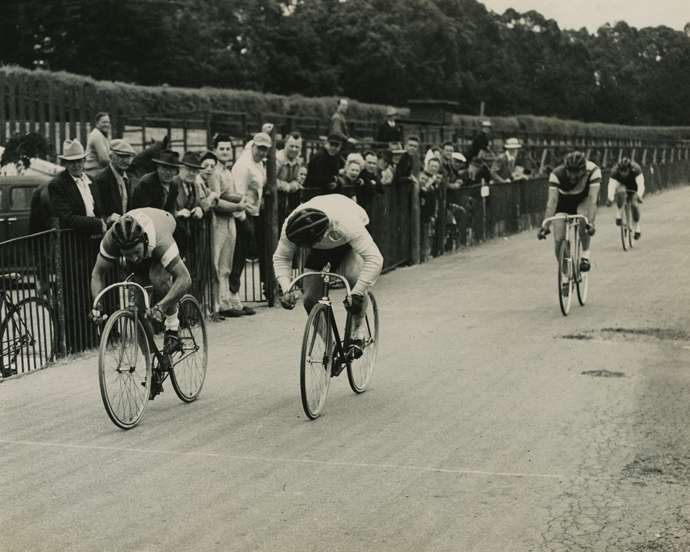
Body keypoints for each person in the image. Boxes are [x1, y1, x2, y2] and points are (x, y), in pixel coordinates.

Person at [90, 209, 192, 397]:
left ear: (143, 241)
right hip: (145, 247)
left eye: (135, 253)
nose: (133, 258)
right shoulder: (112, 240)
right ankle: (151, 363)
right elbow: (97, 274)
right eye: (127, 255)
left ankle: (173, 327)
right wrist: (97, 305)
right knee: (136, 309)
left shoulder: (160, 240)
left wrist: (161, 307)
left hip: (169, 229)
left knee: (159, 278)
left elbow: (185, 279)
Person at [273, 194, 384, 368]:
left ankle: (358, 331)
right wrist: (286, 288)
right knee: (309, 299)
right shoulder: (291, 224)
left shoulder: (347, 224)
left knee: (354, 277)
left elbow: (375, 259)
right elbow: (281, 258)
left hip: (347, 240)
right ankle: (330, 346)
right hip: (319, 244)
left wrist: (357, 292)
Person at [228, 132, 273, 315]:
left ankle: (234, 296)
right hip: (242, 215)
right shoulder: (243, 165)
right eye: (260, 148)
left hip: (253, 213)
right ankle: (231, 296)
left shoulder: (259, 163)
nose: (262, 152)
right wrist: (242, 218)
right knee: (237, 255)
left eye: (265, 149)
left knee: (242, 256)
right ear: (253, 145)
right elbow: (238, 193)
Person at [538, 151, 600, 274]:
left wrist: (591, 223)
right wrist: (545, 226)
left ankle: (585, 255)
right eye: (569, 172)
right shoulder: (556, 174)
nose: (572, 176)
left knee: (583, 217)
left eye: (576, 172)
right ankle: (566, 274)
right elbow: (552, 201)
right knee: (559, 238)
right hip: (563, 203)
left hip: (583, 200)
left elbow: (593, 199)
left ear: (584, 170)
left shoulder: (593, 171)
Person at [48, 139, 105, 234]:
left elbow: (100, 210)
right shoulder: (57, 185)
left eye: (79, 161)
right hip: (74, 240)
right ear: (65, 163)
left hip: (95, 235)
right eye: (71, 162)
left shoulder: (92, 181)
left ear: (84, 161)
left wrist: (104, 219)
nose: (76, 165)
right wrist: (97, 222)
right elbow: (67, 218)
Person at [92, 138, 136, 227]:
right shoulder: (101, 179)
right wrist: (107, 219)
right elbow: (97, 211)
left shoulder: (128, 178)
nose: (125, 160)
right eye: (120, 156)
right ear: (111, 157)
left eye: (128, 157)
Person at [130, 149, 181, 214]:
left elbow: (170, 209)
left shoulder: (174, 186)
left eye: (172, 169)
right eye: (164, 168)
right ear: (158, 168)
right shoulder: (146, 183)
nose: (168, 173)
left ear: (176, 171)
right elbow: (142, 211)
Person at [607, 157, 645, 240]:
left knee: (634, 204)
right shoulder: (614, 171)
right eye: (621, 171)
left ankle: (637, 226)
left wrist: (639, 195)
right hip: (621, 184)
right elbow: (611, 186)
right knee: (620, 192)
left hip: (634, 186)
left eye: (625, 171)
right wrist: (610, 198)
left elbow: (641, 184)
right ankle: (619, 212)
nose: (623, 173)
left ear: (629, 169)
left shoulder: (636, 169)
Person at [84, 112, 112, 178]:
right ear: (97, 123)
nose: (107, 124)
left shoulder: (102, 135)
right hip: (94, 171)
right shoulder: (96, 135)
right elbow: (104, 159)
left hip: (100, 170)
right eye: (104, 122)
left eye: (108, 122)